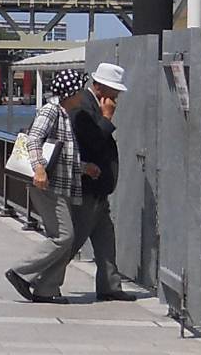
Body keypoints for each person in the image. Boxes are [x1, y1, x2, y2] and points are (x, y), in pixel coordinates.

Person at [5, 70, 99, 304]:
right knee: (64, 236)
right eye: (79, 90)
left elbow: (62, 154)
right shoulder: (51, 111)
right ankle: (21, 272)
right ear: (71, 93)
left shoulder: (64, 114)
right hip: (47, 184)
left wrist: (84, 167)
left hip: (59, 183)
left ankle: (47, 288)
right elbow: (34, 139)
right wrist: (38, 169)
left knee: (65, 237)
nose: (82, 95)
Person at [67, 62, 135, 302]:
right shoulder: (83, 108)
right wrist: (107, 118)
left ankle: (109, 285)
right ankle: (39, 277)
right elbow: (93, 142)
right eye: (114, 90)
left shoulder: (89, 104)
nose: (117, 96)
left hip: (99, 187)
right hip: (88, 185)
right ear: (100, 87)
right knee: (73, 239)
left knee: (105, 237)